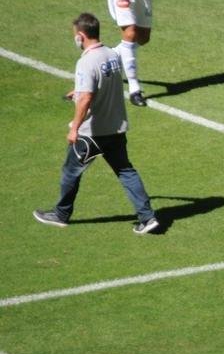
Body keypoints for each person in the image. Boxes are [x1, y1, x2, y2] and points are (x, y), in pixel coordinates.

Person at [34, 13, 159, 234]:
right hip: (116, 128)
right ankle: (147, 217)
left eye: (76, 36)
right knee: (126, 171)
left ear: (81, 35)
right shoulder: (111, 54)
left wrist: (74, 128)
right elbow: (103, 84)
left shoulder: (86, 61)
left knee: (70, 171)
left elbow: (87, 98)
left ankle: (61, 214)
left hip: (91, 132)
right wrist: (80, 90)